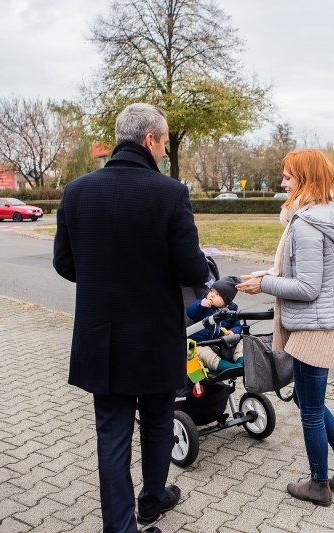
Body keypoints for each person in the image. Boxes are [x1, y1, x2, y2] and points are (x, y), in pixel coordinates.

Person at [53, 103, 209, 533]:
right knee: (158, 422)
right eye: (163, 142)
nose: (163, 151)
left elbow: (65, 264)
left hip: (101, 337)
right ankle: (153, 499)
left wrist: (103, 278)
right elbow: (192, 271)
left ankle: (120, 527)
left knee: (112, 433)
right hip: (156, 336)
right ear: (149, 140)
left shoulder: (77, 191)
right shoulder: (170, 193)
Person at [236, 149, 334, 506]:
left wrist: (264, 286)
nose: (282, 183)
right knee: (312, 400)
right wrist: (266, 275)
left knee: (308, 408)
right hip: (332, 324)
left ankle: (317, 485)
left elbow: (307, 288)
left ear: (305, 180)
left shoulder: (307, 224)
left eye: (288, 177)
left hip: (315, 330)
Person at [186, 276, 244, 373]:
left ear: (226, 300)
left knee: (240, 341)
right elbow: (190, 313)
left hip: (222, 343)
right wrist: (200, 305)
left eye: (217, 294)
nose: (211, 295)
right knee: (202, 353)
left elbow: (237, 325)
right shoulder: (204, 305)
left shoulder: (231, 310)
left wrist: (233, 331)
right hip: (202, 342)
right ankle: (224, 366)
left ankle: (240, 360)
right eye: (211, 291)